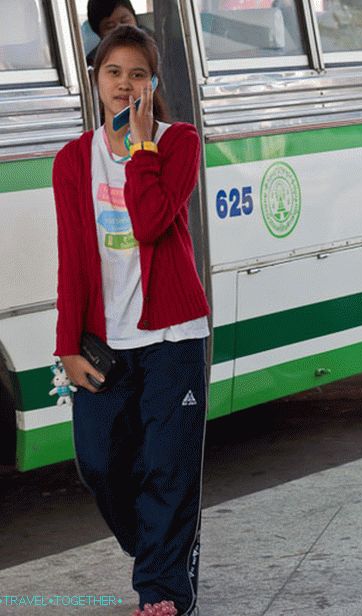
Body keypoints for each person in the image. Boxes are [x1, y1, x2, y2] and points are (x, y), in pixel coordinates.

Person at [53, 25, 210, 616]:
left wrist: (141, 146)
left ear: (153, 83)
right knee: (100, 462)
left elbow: (148, 223)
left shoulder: (180, 143)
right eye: (113, 72)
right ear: (95, 80)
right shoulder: (73, 160)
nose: (124, 83)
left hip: (173, 338)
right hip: (103, 343)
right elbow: (71, 259)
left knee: (169, 467)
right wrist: (66, 345)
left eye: (137, 73)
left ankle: (162, 592)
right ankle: (166, 552)